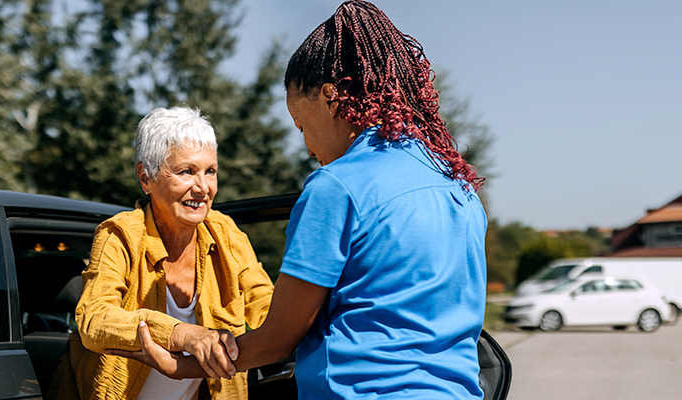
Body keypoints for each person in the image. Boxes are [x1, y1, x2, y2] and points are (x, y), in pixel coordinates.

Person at [237, 1, 488, 398]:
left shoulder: (335, 187)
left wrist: (188, 357)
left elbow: (277, 341)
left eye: (301, 125)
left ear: (330, 97)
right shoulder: (457, 185)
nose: (307, 146)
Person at [48, 106, 274, 400]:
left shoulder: (226, 232)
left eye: (211, 172)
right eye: (186, 172)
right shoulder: (120, 234)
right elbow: (95, 319)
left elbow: (269, 307)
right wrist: (183, 334)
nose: (203, 187)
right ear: (146, 178)